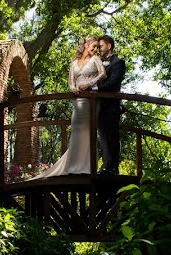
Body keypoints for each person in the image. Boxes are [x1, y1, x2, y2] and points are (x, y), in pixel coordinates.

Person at [32, 37, 105, 179]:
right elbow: (70, 82)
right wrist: (74, 89)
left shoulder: (96, 59)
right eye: (93, 46)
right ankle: (74, 165)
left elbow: (103, 74)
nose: (95, 49)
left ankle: (88, 166)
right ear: (86, 45)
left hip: (91, 99)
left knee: (89, 130)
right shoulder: (74, 63)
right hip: (78, 100)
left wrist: (89, 84)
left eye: (97, 47)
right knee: (77, 129)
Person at [94, 35, 126, 175]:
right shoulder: (98, 62)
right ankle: (106, 165)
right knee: (103, 136)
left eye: (100, 46)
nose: (99, 49)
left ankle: (113, 167)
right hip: (100, 105)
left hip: (112, 105)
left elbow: (113, 83)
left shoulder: (118, 62)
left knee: (112, 136)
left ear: (109, 45)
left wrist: (95, 88)